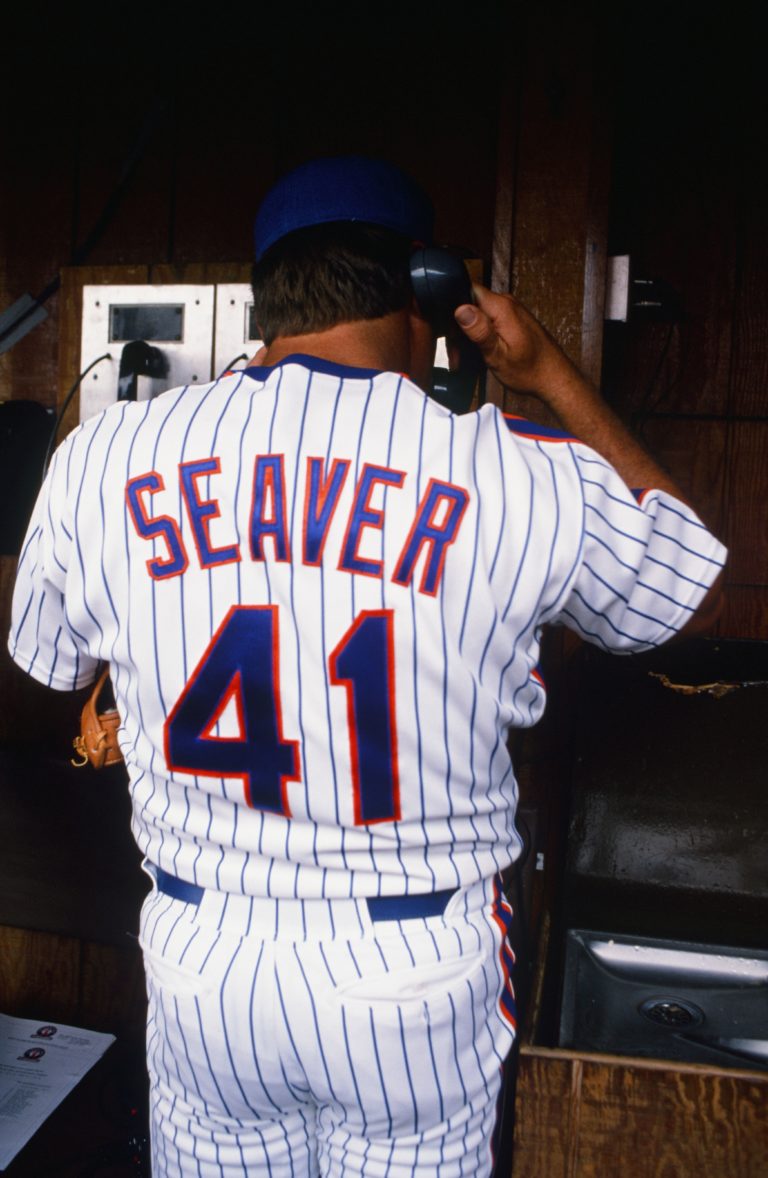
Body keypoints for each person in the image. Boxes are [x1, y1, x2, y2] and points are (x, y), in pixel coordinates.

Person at [8, 156, 725, 1177]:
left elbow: (49, 660)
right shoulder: (509, 462)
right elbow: (679, 587)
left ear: (269, 299)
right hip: (413, 962)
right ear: (428, 290)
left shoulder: (106, 453)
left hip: (203, 953)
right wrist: (552, 370)